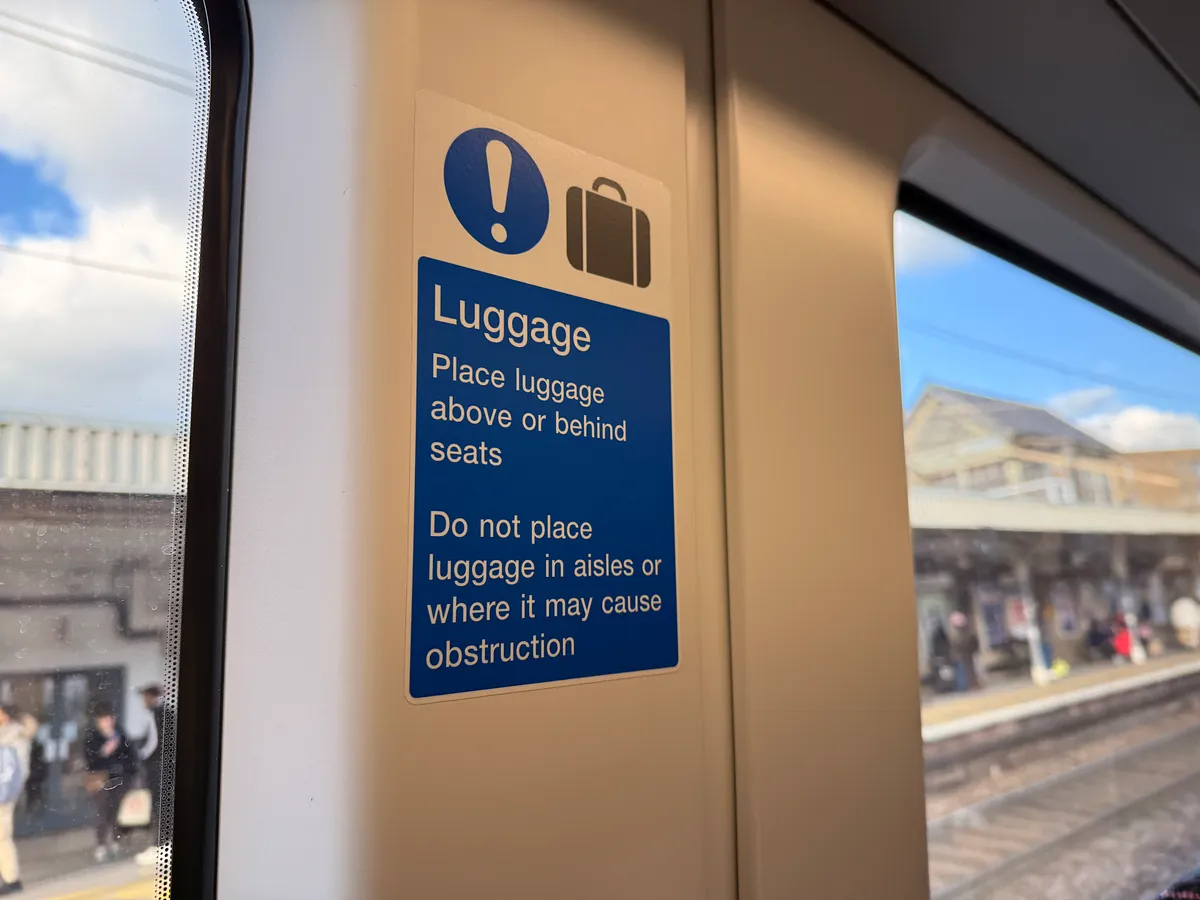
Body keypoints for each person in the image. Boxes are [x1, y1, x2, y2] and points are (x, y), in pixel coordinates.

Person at [84, 702, 138, 863]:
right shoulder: (93, 737)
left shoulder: (120, 734)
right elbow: (90, 760)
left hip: (120, 778)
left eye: (108, 719)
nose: (106, 723)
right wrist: (104, 752)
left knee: (116, 811)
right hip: (100, 779)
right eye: (103, 720)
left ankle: (115, 843)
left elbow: (131, 756)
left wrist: (125, 770)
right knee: (103, 811)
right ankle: (101, 845)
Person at [0, 705, 35, 895]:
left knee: (2, 836)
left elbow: (17, 771)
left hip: (4, 795)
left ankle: (11, 879)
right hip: (5, 792)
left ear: (6, 715)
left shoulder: (14, 737)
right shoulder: (10, 735)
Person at [134, 685, 165, 868]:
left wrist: (140, 756)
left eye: (145, 697)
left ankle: (160, 846)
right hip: (163, 766)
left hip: (157, 767)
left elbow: (153, 742)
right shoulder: (164, 713)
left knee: (158, 805)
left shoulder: (157, 714)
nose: (143, 701)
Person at [947, 611, 979, 692]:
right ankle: (970, 684)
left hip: (964, 654)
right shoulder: (967, 632)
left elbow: (960, 643)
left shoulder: (961, 634)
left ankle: (968, 685)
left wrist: (957, 649)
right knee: (968, 669)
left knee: (966, 670)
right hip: (966, 654)